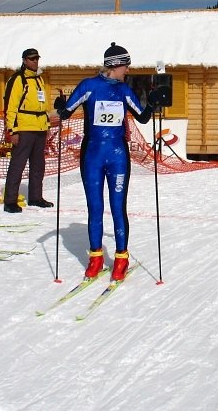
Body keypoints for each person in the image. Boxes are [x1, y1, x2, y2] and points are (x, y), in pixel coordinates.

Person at [58, 42, 154, 281]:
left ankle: (121, 258)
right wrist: (61, 106)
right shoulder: (89, 86)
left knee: (118, 207)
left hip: (118, 156)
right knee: (95, 207)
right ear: (115, 65)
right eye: (126, 65)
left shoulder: (123, 90)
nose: (128, 70)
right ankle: (96, 257)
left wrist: (153, 102)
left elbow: (142, 117)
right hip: (92, 155)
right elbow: (66, 112)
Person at [3, 48, 54, 213]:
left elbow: (43, 104)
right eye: (32, 59)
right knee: (18, 165)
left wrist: (47, 124)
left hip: (40, 127)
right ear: (24, 60)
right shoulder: (18, 79)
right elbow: (10, 106)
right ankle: (10, 201)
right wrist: (13, 130)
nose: (35, 61)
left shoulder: (39, 79)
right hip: (24, 128)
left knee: (38, 165)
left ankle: (35, 197)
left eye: (37, 58)